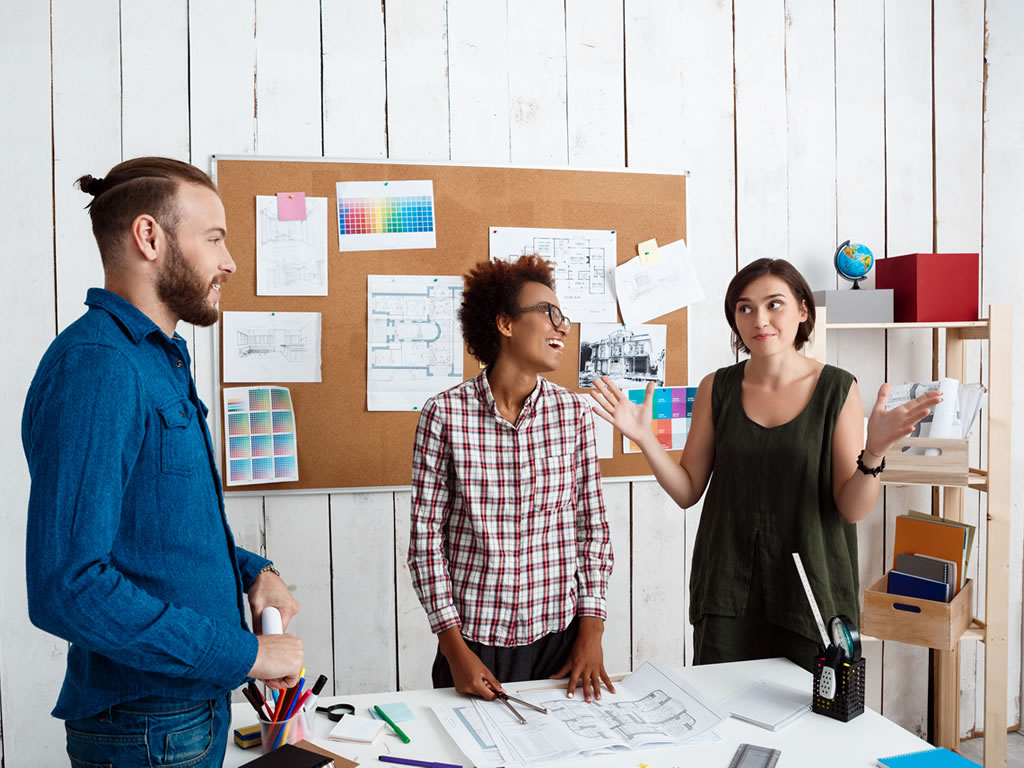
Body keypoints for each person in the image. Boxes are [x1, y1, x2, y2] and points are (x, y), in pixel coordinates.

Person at [22, 157, 303, 767]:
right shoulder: (99, 368)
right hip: (149, 729)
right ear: (149, 236)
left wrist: (254, 570)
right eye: (215, 239)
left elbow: (159, 529)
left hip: (182, 719)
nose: (228, 262)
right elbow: (65, 586)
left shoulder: (157, 358)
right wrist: (246, 656)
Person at [590, 258, 940, 669]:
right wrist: (646, 439)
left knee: (814, 720)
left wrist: (875, 452)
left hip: (811, 594)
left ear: (803, 310)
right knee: (723, 719)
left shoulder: (837, 388)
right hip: (726, 595)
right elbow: (687, 492)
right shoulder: (716, 387)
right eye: (745, 308)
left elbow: (852, 508)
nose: (760, 319)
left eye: (775, 304)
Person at [408, 254, 616, 703]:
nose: (562, 327)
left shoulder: (574, 413)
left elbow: (593, 529)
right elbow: (425, 542)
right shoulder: (444, 415)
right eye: (549, 313)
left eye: (564, 316)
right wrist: (454, 649)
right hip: (472, 645)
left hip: (562, 641)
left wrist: (592, 631)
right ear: (505, 324)